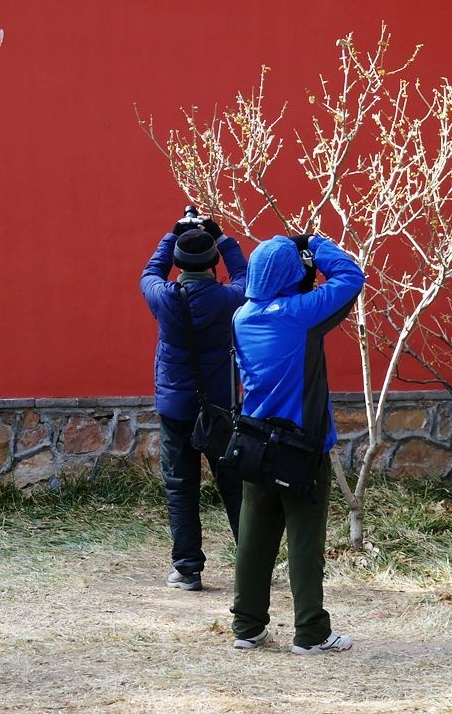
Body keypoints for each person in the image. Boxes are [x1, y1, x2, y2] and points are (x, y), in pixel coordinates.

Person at [229, 233, 364, 654]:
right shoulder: (299, 314)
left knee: (254, 537)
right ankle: (311, 633)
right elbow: (351, 277)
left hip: (254, 442)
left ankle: (247, 627)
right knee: (305, 541)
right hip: (301, 449)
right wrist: (316, 243)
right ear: (292, 273)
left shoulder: (241, 317)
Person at [140, 210, 246, 592]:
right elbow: (246, 278)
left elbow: (149, 273)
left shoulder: (163, 299)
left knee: (180, 486)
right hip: (218, 408)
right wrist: (222, 238)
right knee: (233, 485)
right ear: (212, 261)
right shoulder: (228, 299)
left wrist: (172, 236)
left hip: (175, 410)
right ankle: (251, 563)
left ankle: (187, 569)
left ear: (180, 264)